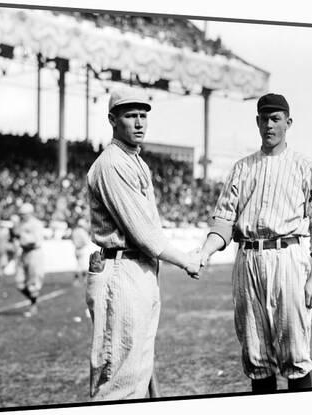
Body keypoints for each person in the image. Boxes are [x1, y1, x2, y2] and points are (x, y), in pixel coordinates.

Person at [197, 93, 312, 393]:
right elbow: (223, 222)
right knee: (256, 357)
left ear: (288, 122)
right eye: (264, 119)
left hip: (288, 257)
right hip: (247, 261)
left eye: (276, 119)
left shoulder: (304, 166)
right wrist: (205, 251)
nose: (269, 125)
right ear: (257, 121)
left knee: (295, 353)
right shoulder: (242, 168)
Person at [85, 88, 202, 401]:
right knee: (118, 383)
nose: (138, 122)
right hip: (121, 268)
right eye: (129, 115)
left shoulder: (136, 161)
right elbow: (143, 233)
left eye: (142, 115)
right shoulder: (111, 164)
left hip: (139, 270)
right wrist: (186, 260)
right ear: (112, 120)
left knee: (138, 374)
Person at [14, 203, 45, 318]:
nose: (22, 216)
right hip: (24, 252)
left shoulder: (36, 224)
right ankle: (34, 301)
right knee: (19, 283)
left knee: (33, 281)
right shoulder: (21, 224)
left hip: (34, 252)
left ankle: (33, 305)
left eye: (24, 214)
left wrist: (21, 238)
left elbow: (34, 241)